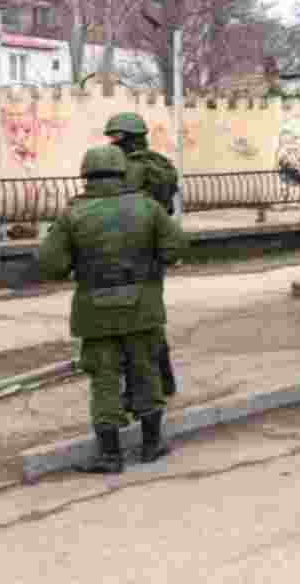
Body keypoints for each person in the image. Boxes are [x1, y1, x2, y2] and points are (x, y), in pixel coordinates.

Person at [38, 145, 187, 472]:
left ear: (85, 175)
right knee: (146, 371)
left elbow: (50, 265)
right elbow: (176, 246)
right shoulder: (148, 207)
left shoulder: (72, 214)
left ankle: (109, 455)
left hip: (95, 311)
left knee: (103, 379)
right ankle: (151, 445)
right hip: (142, 307)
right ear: (123, 172)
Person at [104, 112, 181, 400]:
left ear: (125, 138)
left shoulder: (129, 168)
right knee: (150, 317)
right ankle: (166, 380)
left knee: (127, 322)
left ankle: (138, 388)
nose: (111, 141)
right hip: (153, 252)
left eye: (114, 136)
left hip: (128, 252)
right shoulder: (159, 164)